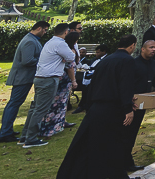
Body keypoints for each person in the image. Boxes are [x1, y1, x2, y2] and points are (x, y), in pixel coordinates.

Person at [57, 35, 139, 179]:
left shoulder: (105, 60)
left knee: (93, 144)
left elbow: (94, 83)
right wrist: (128, 108)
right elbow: (125, 85)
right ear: (132, 45)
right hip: (113, 109)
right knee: (114, 144)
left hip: (96, 107)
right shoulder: (128, 61)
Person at [19, 23, 77, 148]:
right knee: (41, 109)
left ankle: (25, 136)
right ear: (66, 32)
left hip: (40, 77)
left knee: (35, 108)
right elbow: (71, 57)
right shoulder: (60, 43)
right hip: (49, 79)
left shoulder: (50, 42)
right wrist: (67, 55)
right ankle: (31, 139)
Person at [0, 20, 49, 143]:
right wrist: (43, 60)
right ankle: (5, 133)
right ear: (39, 28)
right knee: (14, 104)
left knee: (14, 103)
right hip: (22, 77)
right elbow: (27, 61)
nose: (45, 33)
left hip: (24, 77)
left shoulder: (31, 39)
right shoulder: (30, 41)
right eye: (45, 30)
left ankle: (7, 130)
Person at [122, 39, 155, 171]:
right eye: (150, 47)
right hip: (130, 103)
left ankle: (127, 161)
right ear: (142, 49)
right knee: (125, 134)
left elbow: (154, 80)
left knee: (133, 133)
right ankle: (122, 162)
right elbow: (126, 83)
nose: (153, 50)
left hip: (143, 104)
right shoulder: (133, 63)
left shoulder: (153, 64)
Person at [37, 30, 80, 138]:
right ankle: (51, 127)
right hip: (64, 80)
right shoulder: (68, 51)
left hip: (61, 79)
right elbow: (70, 66)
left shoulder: (64, 48)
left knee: (58, 103)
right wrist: (74, 80)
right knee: (58, 104)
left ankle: (56, 125)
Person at [73, 44, 110, 114]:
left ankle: (85, 105)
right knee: (83, 86)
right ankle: (82, 105)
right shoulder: (94, 59)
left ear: (104, 52)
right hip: (89, 77)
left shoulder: (106, 60)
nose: (96, 54)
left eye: (98, 52)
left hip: (98, 79)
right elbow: (90, 65)